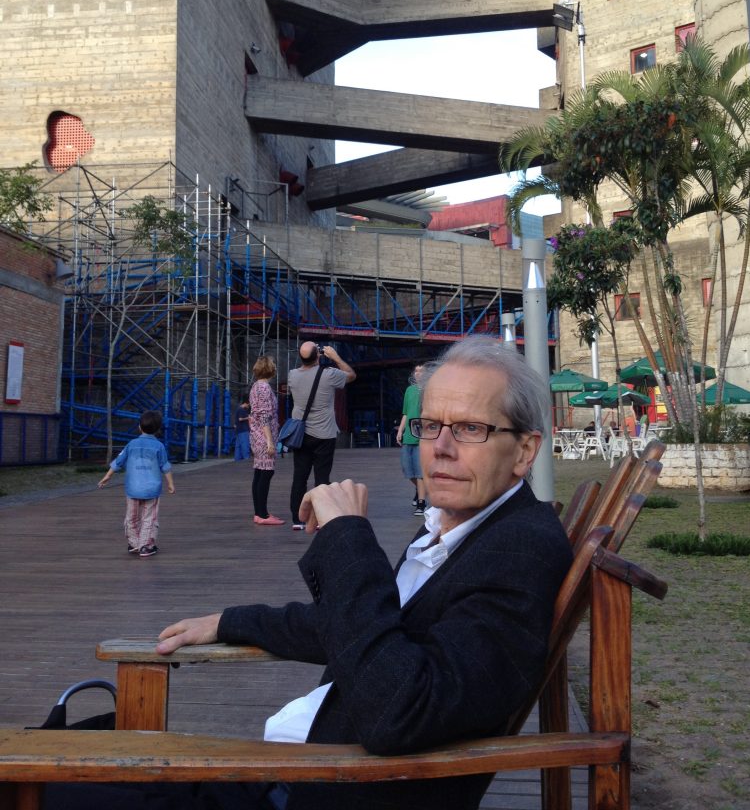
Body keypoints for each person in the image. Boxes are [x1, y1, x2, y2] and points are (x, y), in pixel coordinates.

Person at [133, 335, 572, 810]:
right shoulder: (465, 529)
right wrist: (229, 621)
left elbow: (400, 708)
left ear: (525, 451)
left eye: (469, 429)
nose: (440, 448)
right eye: (429, 426)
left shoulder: (519, 551)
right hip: (306, 771)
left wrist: (347, 535)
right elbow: (370, 626)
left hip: (330, 786)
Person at [286, 341, 355, 530]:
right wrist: (335, 357)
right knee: (322, 478)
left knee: (299, 477)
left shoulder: (292, 376)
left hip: (300, 435)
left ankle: (297, 519)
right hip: (324, 434)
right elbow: (351, 375)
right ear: (318, 355)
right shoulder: (329, 374)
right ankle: (318, 518)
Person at [97, 410, 175, 558]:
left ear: (139, 427)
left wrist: (107, 476)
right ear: (158, 430)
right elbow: (165, 466)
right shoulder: (159, 446)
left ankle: (133, 543)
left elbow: (118, 462)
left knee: (131, 516)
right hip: (152, 489)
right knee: (149, 518)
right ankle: (145, 546)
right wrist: (170, 483)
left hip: (133, 488)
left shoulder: (131, 444)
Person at [249, 356, 283, 525]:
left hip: (256, 435)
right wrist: (270, 441)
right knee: (266, 473)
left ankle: (260, 512)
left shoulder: (255, 386)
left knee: (259, 473)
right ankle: (262, 514)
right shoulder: (264, 388)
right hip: (264, 437)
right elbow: (264, 416)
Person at [395, 363, 426, 515]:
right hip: (408, 435)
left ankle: (421, 503)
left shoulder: (429, 390)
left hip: (422, 436)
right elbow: (406, 414)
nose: (418, 373)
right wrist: (400, 431)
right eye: (416, 370)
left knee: (419, 472)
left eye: (421, 371)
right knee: (407, 470)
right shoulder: (409, 390)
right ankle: (419, 489)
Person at [233, 394, 251, 461]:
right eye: (248, 405)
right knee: (245, 444)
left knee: (238, 446)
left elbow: (236, 420)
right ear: (246, 403)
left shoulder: (238, 409)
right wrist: (248, 417)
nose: (248, 406)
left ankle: (237, 458)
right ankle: (246, 458)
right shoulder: (242, 410)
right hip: (243, 430)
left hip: (238, 430)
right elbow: (240, 419)